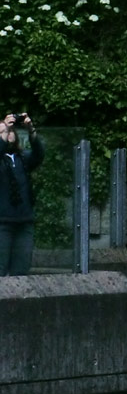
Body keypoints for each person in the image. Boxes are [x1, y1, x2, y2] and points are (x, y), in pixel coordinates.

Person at [0, 113, 45, 276]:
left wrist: (30, 130)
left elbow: (39, 155)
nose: (8, 133)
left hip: (24, 222)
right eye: (3, 132)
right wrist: (4, 131)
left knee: (21, 271)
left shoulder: (22, 158)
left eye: (11, 130)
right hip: (2, 224)